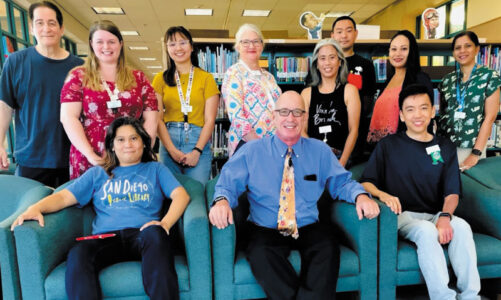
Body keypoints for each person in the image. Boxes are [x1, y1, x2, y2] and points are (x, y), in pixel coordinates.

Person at [209, 91, 380, 300]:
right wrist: (221, 201)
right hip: (266, 227)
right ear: (274, 116)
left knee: (328, 249)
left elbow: (341, 182)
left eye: (297, 112)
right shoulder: (252, 151)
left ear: (305, 117)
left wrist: (360, 196)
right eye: (284, 112)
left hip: (307, 225)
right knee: (260, 255)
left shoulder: (319, 150)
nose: (290, 118)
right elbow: (226, 183)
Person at [11, 116, 190, 300]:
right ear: (112, 145)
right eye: (120, 139)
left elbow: (181, 195)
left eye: (134, 138)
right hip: (106, 237)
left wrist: (165, 224)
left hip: (143, 234)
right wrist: (36, 208)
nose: (128, 144)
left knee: (156, 234)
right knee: (78, 253)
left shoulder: (156, 169)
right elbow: (64, 197)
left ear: (144, 143)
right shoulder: (98, 173)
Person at [360, 84, 480, 300]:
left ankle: (471, 296)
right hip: (404, 217)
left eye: (424, 108)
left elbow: (452, 191)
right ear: (401, 115)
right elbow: (366, 182)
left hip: (435, 214)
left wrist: (445, 217)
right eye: (410, 109)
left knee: (462, 227)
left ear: (432, 111)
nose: (418, 115)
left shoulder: (444, 147)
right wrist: (384, 196)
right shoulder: (388, 145)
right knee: (426, 231)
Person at [60, 20, 158, 180]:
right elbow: (68, 118)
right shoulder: (78, 76)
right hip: (91, 156)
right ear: (91, 44)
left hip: (131, 155)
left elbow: (152, 119)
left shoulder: (138, 78)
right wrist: (90, 155)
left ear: (120, 44)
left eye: (111, 42)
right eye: (100, 42)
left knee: (128, 201)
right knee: (89, 201)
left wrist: (143, 152)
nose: (106, 47)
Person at [0, 1, 83, 187]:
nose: (46, 28)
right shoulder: (15, 63)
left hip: (71, 156)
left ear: (61, 29)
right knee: (28, 212)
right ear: (31, 28)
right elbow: (4, 106)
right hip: (31, 158)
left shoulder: (79, 67)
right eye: (39, 23)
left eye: (52, 23)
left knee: (69, 214)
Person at [152, 26, 219, 185]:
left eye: (182, 42)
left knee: (196, 192)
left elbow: (210, 120)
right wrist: (171, 150)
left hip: (198, 140)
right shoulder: (160, 79)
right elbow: (157, 119)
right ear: (167, 49)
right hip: (169, 140)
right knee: (170, 196)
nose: (178, 48)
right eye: (172, 44)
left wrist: (197, 151)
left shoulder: (206, 78)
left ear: (191, 46)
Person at [437, 31, 501, 171]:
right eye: (457, 48)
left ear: (477, 49)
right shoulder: (447, 80)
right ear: (453, 52)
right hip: (445, 146)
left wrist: (476, 153)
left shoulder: (489, 76)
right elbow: (442, 115)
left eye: (468, 46)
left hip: (471, 148)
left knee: (467, 188)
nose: (462, 51)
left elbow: (490, 118)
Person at [221, 23, 281, 156]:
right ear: (237, 46)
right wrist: (260, 146)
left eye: (256, 41)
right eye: (245, 42)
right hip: (249, 145)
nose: (252, 46)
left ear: (262, 45)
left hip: (275, 144)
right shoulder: (234, 73)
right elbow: (236, 115)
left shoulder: (269, 77)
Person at [301, 39, 360, 167]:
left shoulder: (350, 90)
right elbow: (302, 130)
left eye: (332, 57)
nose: (327, 63)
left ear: (340, 62)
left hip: (341, 156)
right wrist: (315, 157)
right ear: (316, 64)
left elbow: (353, 130)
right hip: (313, 156)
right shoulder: (306, 93)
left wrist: (341, 163)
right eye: (322, 58)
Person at [367, 30, 433, 145]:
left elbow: (425, 117)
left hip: (405, 147)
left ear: (411, 52)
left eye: (403, 49)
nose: (397, 54)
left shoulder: (420, 79)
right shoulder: (388, 80)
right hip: (381, 147)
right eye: (393, 49)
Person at [331, 16, 376, 163]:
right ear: (332, 36)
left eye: (348, 31)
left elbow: (367, 101)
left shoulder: (366, 65)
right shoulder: (326, 64)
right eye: (339, 31)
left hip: (356, 136)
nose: (344, 35)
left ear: (355, 33)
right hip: (328, 135)